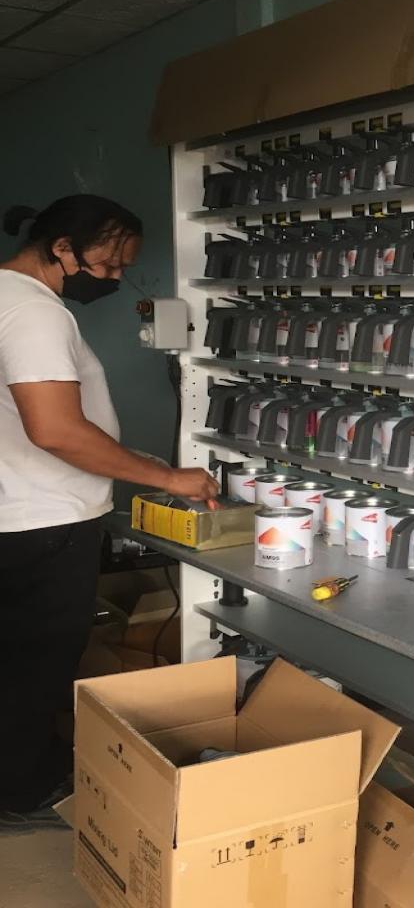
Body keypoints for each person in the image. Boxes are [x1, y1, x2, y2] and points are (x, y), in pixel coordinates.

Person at [0, 195, 218, 823]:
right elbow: (56, 430)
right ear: (61, 247)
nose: (117, 278)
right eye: (109, 263)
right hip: (44, 519)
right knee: (36, 662)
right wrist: (167, 476)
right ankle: (20, 790)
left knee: (14, 654)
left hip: (16, 512)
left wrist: (128, 457)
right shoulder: (33, 313)